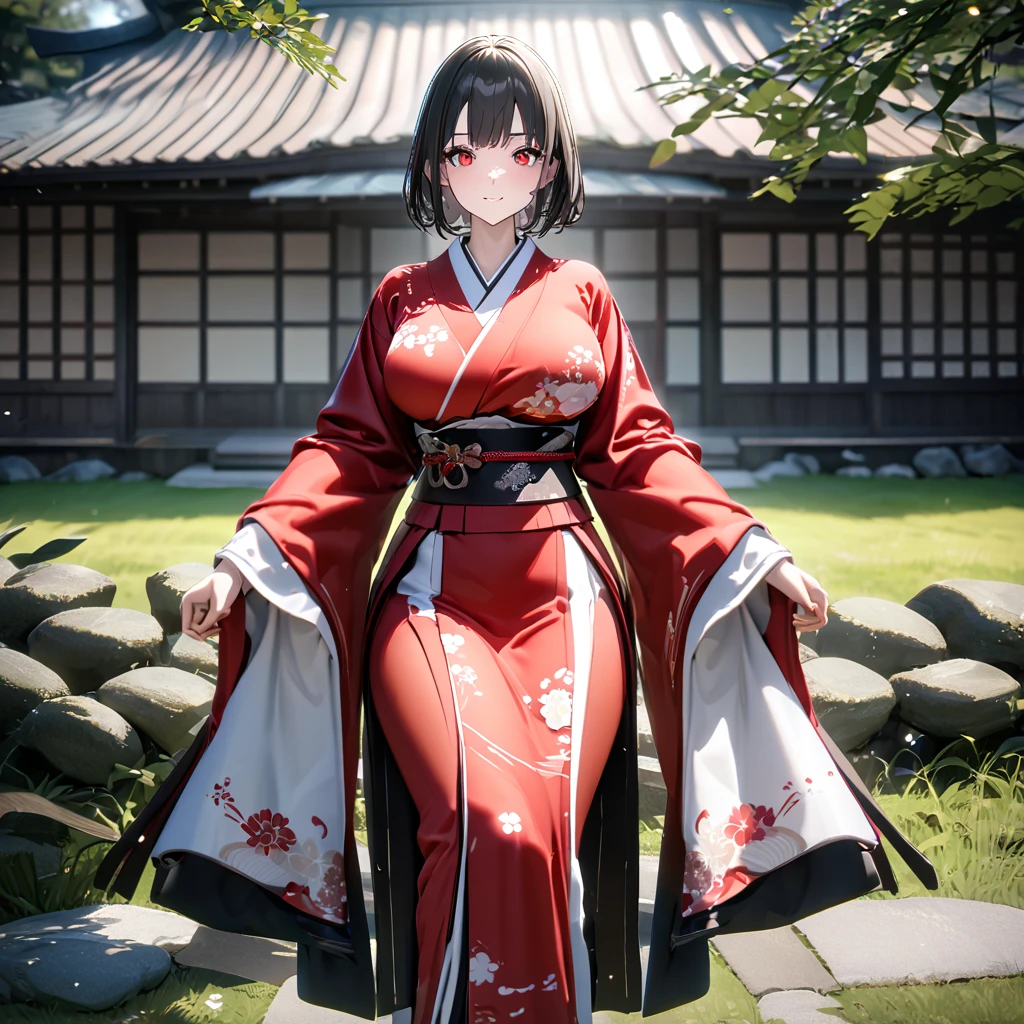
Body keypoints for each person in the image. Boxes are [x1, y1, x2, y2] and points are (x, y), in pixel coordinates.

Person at [97, 35, 937, 1024]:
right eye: (466, 150)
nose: (493, 171)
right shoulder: (400, 299)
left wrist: (749, 550)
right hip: (432, 593)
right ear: (434, 165)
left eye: (519, 149)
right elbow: (350, 448)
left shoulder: (580, 293)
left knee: (538, 831)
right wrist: (250, 554)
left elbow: (635, 446)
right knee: (472, 818)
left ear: (548, 164)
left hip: (563, 590)